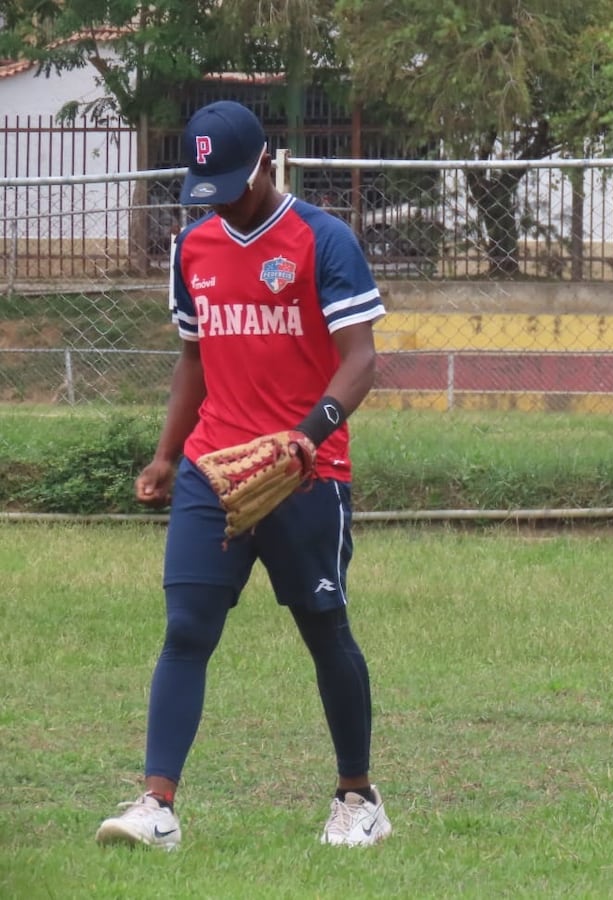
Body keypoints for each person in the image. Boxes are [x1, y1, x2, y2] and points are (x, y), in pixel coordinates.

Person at [96, 100, 390, 850]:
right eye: (208, 184)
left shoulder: (322, 239)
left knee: (325, 630)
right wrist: (167, 454)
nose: (222, 196)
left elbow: (361, 359)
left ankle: (358, 797)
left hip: (305, 475)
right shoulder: (192, 245)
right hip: (213, 468)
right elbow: (193, 359)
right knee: (186, 629)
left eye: (233, 179)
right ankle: (156, 804)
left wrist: (307, 437)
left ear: (267, 160)